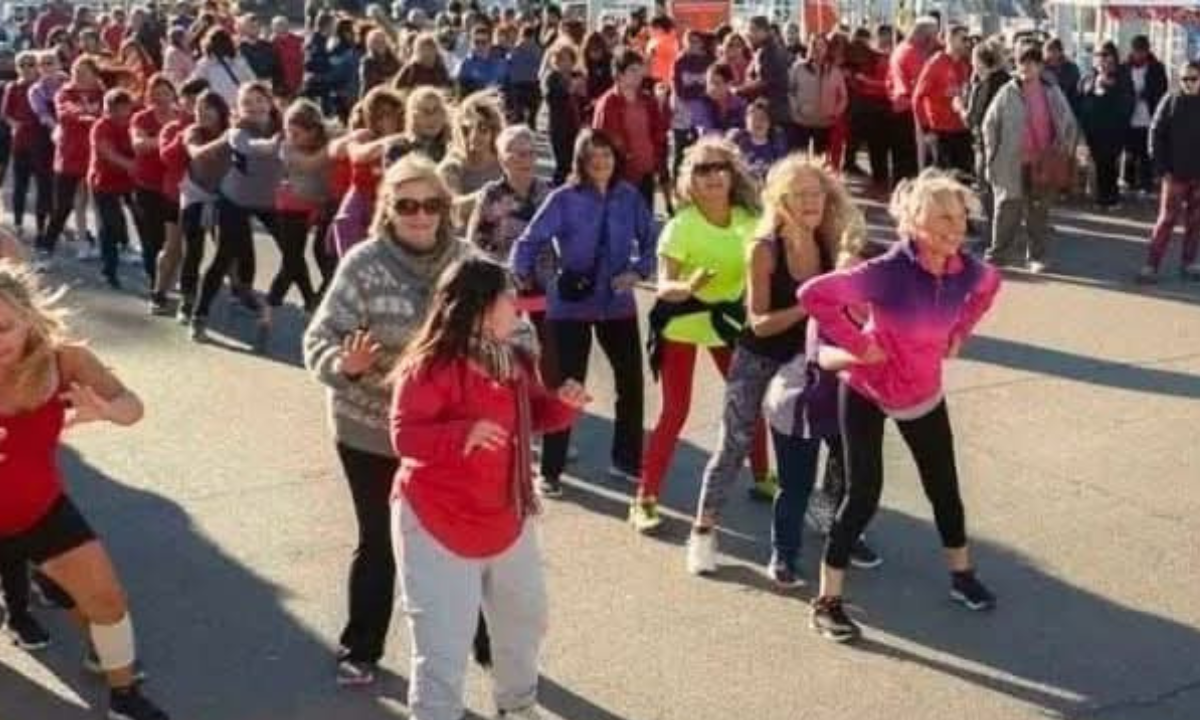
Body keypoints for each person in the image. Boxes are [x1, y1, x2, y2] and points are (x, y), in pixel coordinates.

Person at [798, 169, 1001, 642]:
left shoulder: (964, 269)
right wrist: (858, 345)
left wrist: (960, 332)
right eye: (942, 217)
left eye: (959, 215)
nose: (955, 227)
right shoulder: (888, 271)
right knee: (863, 494)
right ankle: (827, 601)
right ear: (913, 223)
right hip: (867, 388)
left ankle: (963, 576)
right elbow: (815, 295)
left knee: (944, 488)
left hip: (922, 392)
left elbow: (991, 286)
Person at [389, 257, 588, 720]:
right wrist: (463, 433)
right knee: (443, 643)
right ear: (481, 306)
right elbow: (404, 437)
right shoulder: (429, 366)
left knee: (524, 621)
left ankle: (517, 706)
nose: (517, 307)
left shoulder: (514, 359)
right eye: (508, 298)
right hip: (437, 521)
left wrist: (564, 407)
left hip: (506, 515)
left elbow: (534, 416)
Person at [304, 154, 472, 687]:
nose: (420, 215)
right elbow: (319, 338)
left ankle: (479, 638)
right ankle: (361, 648)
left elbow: (509, 330)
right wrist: (344, 366)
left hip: (441, 428)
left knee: (455, 537)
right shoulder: (363, 262)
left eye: (430, 204)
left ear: (445, 208)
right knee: (381, 539)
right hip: (368, 425)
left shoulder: (468, 264)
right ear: (388, 209)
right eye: (406, 205)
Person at [0, 260, 171, 720]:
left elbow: (131, 406)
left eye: (4, 327)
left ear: (28, 317)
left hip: (41, 510)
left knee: (107, 601)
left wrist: (108, 411)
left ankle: (124, 697)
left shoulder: (66, 359)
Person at [687, 154, 863, 574]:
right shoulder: (763, 250)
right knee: (735, 442)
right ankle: (703, 532)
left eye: (816, 192)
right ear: (780, 201)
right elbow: (760, 322)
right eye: (800, 194)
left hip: (812, 355)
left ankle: (827, 515)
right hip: (761, 356)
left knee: (843, 439)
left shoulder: (830, 239)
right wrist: (808, 305)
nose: (811, 201)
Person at [632, 138, 769, 532]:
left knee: (749, 400)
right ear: (688, 181)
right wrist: (687, 287)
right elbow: (664, 286)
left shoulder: (749, 219)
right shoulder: (681, 226)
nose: (712, 176)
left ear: (732, 174)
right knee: (675, 411)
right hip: (683, 324)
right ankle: (644, 498)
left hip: (729, 324)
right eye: (702, 170)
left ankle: (764, 478)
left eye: (719, 167)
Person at [510, 130, 656, 497]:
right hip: (570, 305)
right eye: (593, 156)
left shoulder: (629, 197)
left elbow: (653, 240)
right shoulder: (564, 198)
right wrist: (517, 279)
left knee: (631, 383)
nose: (601, 162)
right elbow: (529, 240)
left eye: (606, 154)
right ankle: (551, 471)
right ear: (581, 160)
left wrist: (638, 271)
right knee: (567, 386)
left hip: (617, 303)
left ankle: (625, 460)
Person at [191, 82, 283, 345]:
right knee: (224, 257)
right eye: (246, 103)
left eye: (259, 100)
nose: (254, 107)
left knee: (291, 249)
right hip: (234, 199)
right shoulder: (237, 132)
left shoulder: (283, 126)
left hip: (267, 201)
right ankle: (199, 315)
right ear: (238, 110)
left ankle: (263, 301)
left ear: (269, 101)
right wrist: (275, 144)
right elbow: (252, 148)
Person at [984, 43, 1078, 273]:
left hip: (1043, 163)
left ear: (1039, 65)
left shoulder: (1051, 91)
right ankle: (998, 254)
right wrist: (992, 155)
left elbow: (1068, 122)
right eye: (1022, 62)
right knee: (1007, 208)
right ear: (1016, 64)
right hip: (1012, 162)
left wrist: (1063, 148)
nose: (1026, 67)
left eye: (1032, 62)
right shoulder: (1007, 92)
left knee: (1038, 212)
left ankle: (1037, 256)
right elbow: (990, 125)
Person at [162, 80, 222, 326]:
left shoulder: (231, 129)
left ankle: (240, 290)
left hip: (224, 196)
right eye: (198, 109)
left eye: (208, 108)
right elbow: (196, 152)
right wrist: (227, 139)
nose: (202, 113)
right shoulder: (191, 131)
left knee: (230, 250)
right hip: (194, 195)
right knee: (192, 250)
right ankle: (187, 301)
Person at [36, 56, 105, 266]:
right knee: (63, 206)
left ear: (94, 74)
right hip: (70, 157)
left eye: (83, 72)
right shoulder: (65, 93)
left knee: (101, 204)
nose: (78, 76)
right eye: (75, 71)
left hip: (96, 156)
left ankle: (104, 245)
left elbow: (109, 114)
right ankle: (46, 249)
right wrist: (85, 115)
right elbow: (66, 113)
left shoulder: (103, 94)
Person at [268, 99, 331, 316]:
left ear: (313, 131)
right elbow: (310, 164)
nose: (291, 138)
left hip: (319, 206)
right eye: (288, 131)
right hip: (291, 206)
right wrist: (333, 147)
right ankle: (274, 303)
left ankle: (313, 299)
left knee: (321, 253)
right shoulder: (286, 148)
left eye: (297, 133)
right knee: (292, 259)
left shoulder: (327, 138)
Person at [1139, 61, 1200, 283]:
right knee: (1166, 220)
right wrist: (1160, 167)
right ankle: (1151, 265)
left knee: (1195, 221)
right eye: (1185, 79)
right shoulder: (1170, 100)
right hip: (1174, 173)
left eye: (1193, 78)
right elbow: (1155, 134)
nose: (1189, 83)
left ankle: (1190, 263)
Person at [132, 74, 186, 313]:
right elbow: (139, 144)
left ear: (174, 94)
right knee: (152, 238)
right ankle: (156, 283)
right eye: (155, 93)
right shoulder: (141, 118)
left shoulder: (182, 117)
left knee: (173, 240)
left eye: (165, 92)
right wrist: (168, 140)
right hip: (146, 184)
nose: (161, 98)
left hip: (174, 186)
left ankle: (169, 280)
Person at [332, 87, 406, 258]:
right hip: (361, 195)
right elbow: (356, 154)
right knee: (345, 222)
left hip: (390, 197)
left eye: (390, 113)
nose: (385, 120)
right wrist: (388, 142)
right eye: (379, 114)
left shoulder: (407, 139)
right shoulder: (364, 135)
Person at [593, 49, 668, 207]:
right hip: (620, 174)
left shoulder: (648, 100)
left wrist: (658, 160)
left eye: (640, 70)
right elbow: (601, 141)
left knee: (644, 222)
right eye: (632, 70)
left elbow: (659, 133)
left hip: (646, 171)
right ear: (619, 73)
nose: (638, 75)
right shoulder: (608, 103)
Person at [965, 39, 1011, 238]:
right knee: (1003, 189)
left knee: (986, 188)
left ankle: (995, 233)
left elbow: (973, 117)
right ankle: (1005, 230)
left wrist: (958, 103)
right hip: (1008, 142)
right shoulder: (1009, 81)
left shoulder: (985, 84)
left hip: (987, 144)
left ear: (981, 61)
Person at [1079, 43, 1134, 210]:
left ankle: (1111, 197)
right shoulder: (1090, 76)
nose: (1102, 59)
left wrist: (1112, 88)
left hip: (1114, 129)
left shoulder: (1123, 76)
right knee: (1099, 162)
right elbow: (1081, 93)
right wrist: (1095, 84)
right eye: (1099, 56)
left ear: (1114, 58)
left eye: (1106, 55)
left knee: (1110, 162)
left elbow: (1128, 102)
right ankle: (1101, 197)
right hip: (1093, 128)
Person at [912, 25, 972, 176]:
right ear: (950, 40)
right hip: (941, 131)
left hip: (962, 129)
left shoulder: (965, 65)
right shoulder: (936, 63)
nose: (967, 43)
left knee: (963, 176)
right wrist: (926, 129)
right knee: (943, 177)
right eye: (963, 39)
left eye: (968, 39)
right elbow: (917, 97)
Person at [4, 52, 51, 243]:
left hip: (42, 142)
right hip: (21, 143)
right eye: (22, 65)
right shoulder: (13, 87)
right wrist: (16, 125)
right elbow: (6, 114)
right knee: (20, 186)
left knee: (43, 186)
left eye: (31, 64)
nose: (27, 68)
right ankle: (18, 223)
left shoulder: (44, 87)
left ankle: (42, 227)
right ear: (17, 68)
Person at [437, 89, 505, 221]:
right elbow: (454, 208)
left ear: (494, 131)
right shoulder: (451, 167)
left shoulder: (505, 163)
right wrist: (491, 193)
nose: (474, 136)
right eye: (466, 130)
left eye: (483, 129)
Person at [887, 16, 938, 182]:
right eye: (932, 36)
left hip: (900, 107)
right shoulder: (912, 54)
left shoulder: (901, 49)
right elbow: (923, 84)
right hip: (910, 111)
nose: (935, 40)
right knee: (912, 164)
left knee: (902, 161)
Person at [788, 33, 847, 157]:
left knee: (820, 160)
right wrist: (797, 109)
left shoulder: (835, 71)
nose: (818, 49)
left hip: (824, 124)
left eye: (821, 45)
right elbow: (790, 91)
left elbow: (843, 96)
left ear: (827, 48)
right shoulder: (798, 68)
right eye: (814, 45)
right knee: (800, 158)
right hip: (801, 123)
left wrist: (835, 112)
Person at [1122, 35, 1168, 195]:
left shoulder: (1157, 67)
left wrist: (1146, 95)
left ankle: (1145, 184)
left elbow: (1162, 91)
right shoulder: (1125, 67)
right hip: (1129, 115)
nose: (1139, 54)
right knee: (1129, 152)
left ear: (1148, 50)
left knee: (1146, 152)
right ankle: (1128, 182)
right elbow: (1121, 89)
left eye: (1142, 51)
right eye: (1136, 51)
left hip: (1148, 115)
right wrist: (1131, 97)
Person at [541, 43, 583, 185]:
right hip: (558, 126)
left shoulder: (578, 76)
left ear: (572, 60)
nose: (561, 61)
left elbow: (584, 98)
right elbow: (552, 98)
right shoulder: (552, 77)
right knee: (562, 163)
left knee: (576, 163)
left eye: (564, 58)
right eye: (558, 58)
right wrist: (570, 89)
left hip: (577, 125)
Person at [190, 27, 256, 108]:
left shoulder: (205, 64)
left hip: (217, 106)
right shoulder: (239, 61)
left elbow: (195, 83)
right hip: (239, 103)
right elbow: (251, 81)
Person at [728, 97, 789, 183]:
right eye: (754, 118)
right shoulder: (738, 141)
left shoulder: (776, 143)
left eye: (763, 118)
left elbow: (782, 171)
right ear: (746, 121)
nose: (758, 122)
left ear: (770, 122)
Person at [693, 63, 747, 136]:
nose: (712, 88)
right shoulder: (700, 103)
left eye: (717, 83)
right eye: (709, 83)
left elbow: (744, 129)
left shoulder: (740, 104)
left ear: (729, 84)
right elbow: (706, 130)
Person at [505, 24, 543, 125]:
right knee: (533, 113)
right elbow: (541, 65)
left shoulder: (515, 48)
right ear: (533, 35)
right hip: (533, 83)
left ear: (521, 35)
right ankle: (531, 132)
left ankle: (520, 131)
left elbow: (508, 61)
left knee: (519, 115)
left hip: (517, 84)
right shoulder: (538, 49)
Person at [457, 24, 506, 97]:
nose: (480, 46)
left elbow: (509, 89)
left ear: (490, 43)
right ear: (471, 43)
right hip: (476, 104)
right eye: (476, 42)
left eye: (483, 42)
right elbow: (461, 94)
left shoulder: (501, 63)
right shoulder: (466, 65)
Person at [238, 14, 283, 92]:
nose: (255, 29)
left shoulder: (268, 45)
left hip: (272, 88)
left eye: (257, 26)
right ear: (243, 28)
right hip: (251, 89)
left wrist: (279, 86)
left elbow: (277, 67)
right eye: (251, 26)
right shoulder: (239, 49)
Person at [1043, 38, 1081, 116]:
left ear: (1060, 51)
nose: (1051, 54)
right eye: (1049, 51)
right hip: (1047, 108)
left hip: (1068, 107)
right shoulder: (1042, 68)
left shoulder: (1071, 68)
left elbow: (1074, 89)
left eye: (1054, 50)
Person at [360, 29, 402, 96]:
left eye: (382, 42)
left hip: (394, 95)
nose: (380, 45)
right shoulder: (368, 61)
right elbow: (369, 82)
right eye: (376, 42)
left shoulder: (395, 60)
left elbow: (400, 76)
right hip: (375, 96)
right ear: (371, 44)